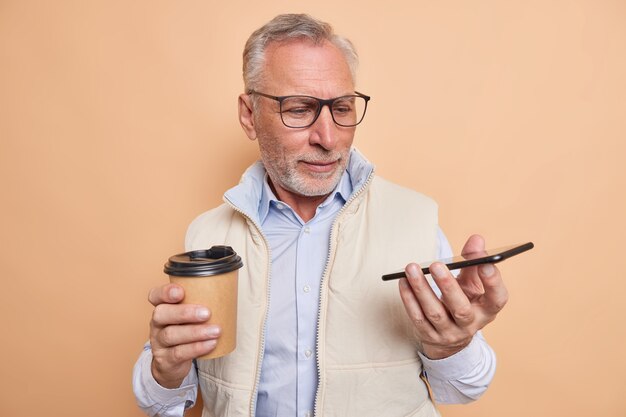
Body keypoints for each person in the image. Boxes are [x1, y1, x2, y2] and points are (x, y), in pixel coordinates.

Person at [133, 13, 508, 417]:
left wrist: (453, 345)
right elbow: (161, 402)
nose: (328, 138)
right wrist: (164, 370)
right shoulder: (207, 235)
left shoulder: (413, 219)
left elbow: (466, 386)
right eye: (299, 109)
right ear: (248, 115)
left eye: (342, 109)